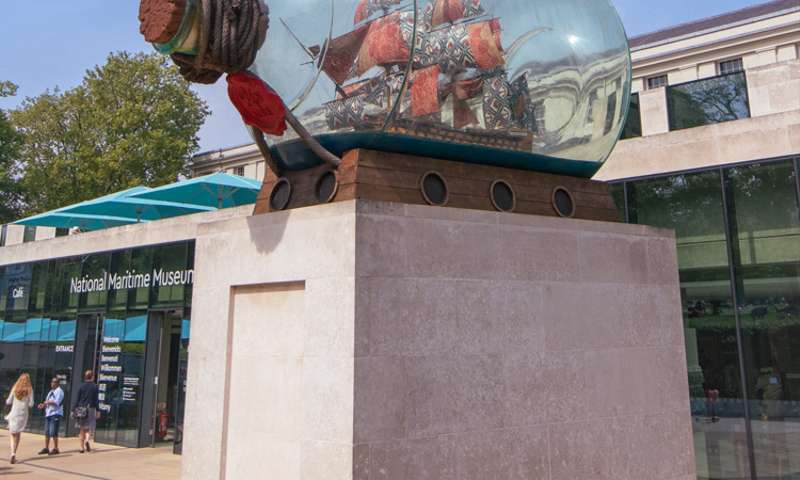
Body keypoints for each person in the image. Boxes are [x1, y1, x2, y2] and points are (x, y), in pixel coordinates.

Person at [4, 373, 34, 464]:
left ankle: (12, 453)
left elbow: (8, 401)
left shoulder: (15, 388)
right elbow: (31, 404)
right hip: (23, 414)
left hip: (14, 413)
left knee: (12, 434)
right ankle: (14, 453)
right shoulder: (29, 390)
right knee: (18, 434)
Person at [72, 370, 100, 454]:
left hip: (81, 409)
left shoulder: (81, 386)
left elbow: (77, 399)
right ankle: (87, 440)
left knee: (81, 429)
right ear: (92, 377)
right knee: (88, 428)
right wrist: (98, 410)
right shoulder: (95, 387)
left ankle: (81, 448)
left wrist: (73, 410)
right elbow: (96, 400)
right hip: (90, 408)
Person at [37, 377, 65, 455]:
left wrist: (48, 402)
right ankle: (46, 448)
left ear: (58, 383)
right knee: (47, 432)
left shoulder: (59, 391)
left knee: (54, 432)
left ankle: (56, 448)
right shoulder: (51, 392)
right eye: (52, 382)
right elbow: (47, 402)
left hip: (55, 413)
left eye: (54, 382)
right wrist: (43, 405)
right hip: (48, 414)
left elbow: (57, 402)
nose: (52, 383)